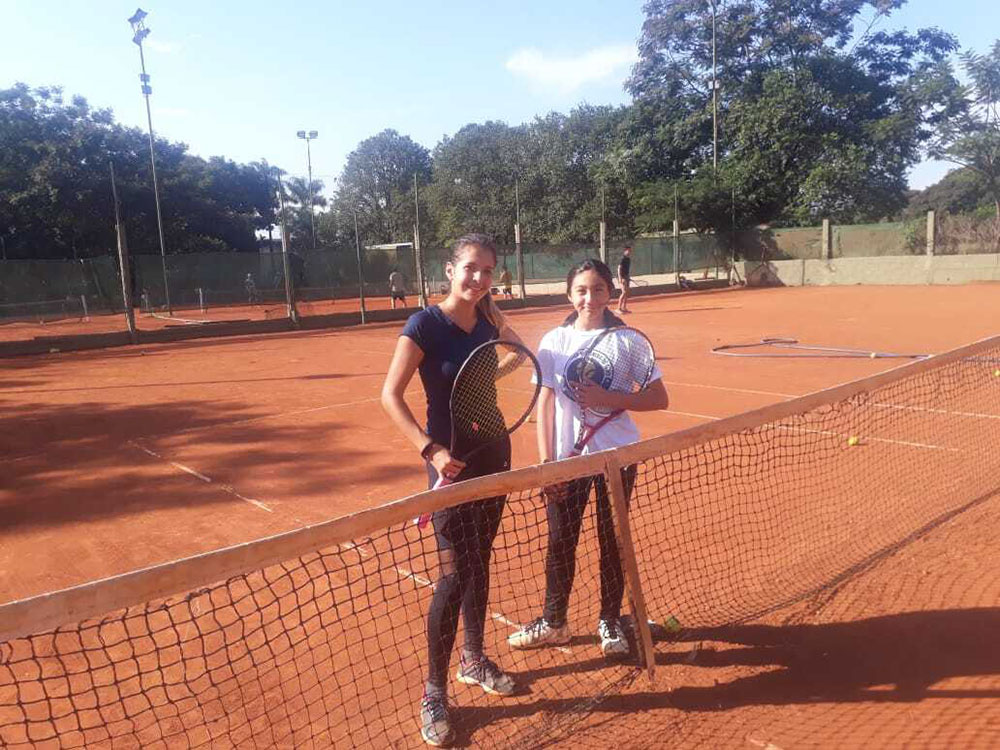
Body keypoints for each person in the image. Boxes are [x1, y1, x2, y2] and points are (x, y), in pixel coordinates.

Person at [381, 234, 524, 747]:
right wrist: (431, 450)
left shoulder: (487, 321)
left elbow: (518, 354)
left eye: (487, 271)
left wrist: (495, 316)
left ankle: (474, 658)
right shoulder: (425, 325)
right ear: (450, 270)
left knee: (480, 562)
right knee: (453, 574)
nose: (478, 279)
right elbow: (390, 395)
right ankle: (434, 691)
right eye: (470, 269)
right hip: (451, 466)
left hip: (495, 455)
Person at [507, 258, 668, 658]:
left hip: (617, 457)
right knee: (560, 540)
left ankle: (609, 621)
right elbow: (545, 402)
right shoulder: (554, 341)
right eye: (581, 290)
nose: (589, 298)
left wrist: (607, 398)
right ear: (569, 294)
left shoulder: (627, 340)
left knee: (612, 541)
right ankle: (554, 622)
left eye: (598, 290)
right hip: (568, 461)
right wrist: (547, 463)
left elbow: (658, 398)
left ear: (610, 292)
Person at [616, 246, 632, 313]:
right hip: (622, 277)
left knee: (626, 293)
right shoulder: (622, 258)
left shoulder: (628, 259)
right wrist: (620, 278)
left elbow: (627, 270)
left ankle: (624, 308)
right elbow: (619, 268)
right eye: (628, 250)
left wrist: (628, 277)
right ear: (625, 251)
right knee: (624, 292)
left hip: (626, 277)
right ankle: (618, 308)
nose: (629, 252)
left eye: (630, 251)